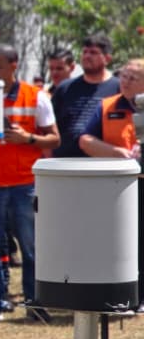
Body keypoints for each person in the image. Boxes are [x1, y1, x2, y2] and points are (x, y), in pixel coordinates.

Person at [0, 44, 59, 322]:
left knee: (31, 248)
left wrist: (27, 138)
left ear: (13, 65)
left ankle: (36, 303)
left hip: (25, 185)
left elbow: (54, 138)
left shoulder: (35, 96)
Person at [79, 58, 144, 313]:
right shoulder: (107, 106)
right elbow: (85, 140)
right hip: (117, 185)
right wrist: (115, 152)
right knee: (121, 241)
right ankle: (122, 295)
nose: (125, 81)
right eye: (123, 76)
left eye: (132, 77)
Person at [51, 33, 119, 158]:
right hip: (66, 164)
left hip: (104, 165)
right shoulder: (65, 88)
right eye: (85, 52)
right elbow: (49, 126)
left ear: (107, 59)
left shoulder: (119, 88)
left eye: (93, 52)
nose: (87, 56)